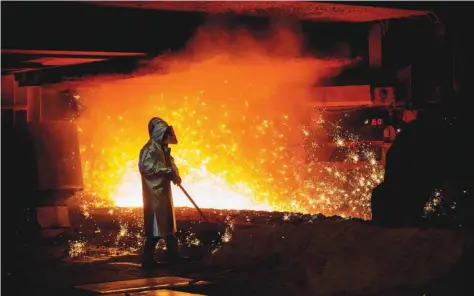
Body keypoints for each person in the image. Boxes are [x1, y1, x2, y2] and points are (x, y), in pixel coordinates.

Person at [138, 117, 184, 268]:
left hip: (164, 192)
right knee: (154, 230)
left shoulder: (163, 148)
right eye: (164, 133)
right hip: (153, 194)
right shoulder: (149, 149)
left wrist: (175, 175)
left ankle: (174, 257)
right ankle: (148, 260)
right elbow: (146, 168)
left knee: (169, 228)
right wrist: (167, 171)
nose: (166, 137)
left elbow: (170, 162)